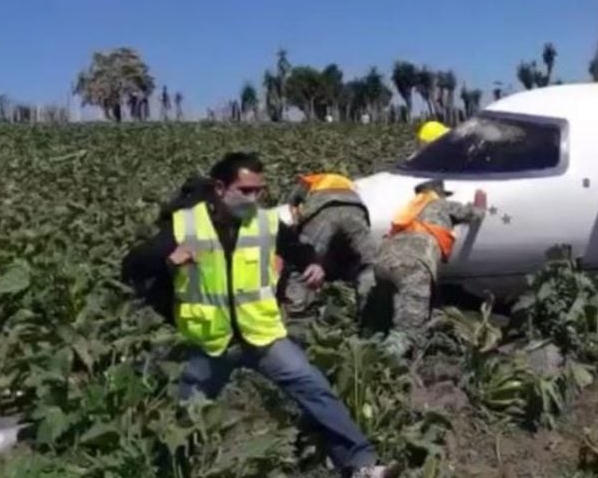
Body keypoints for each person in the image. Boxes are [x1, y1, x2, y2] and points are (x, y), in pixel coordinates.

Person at [122, 152, 396, 478]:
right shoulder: (184, 225)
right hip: (210, 342)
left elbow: (297, 246)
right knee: (186, 418)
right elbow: (132, 265)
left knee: (315, 388)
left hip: (262, 335)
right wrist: (170, 259)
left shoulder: (265, 222)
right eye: (246, 190)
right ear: (220, 189)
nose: (254, 198)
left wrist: (312, 263)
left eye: (259, 191)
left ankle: (360, 466)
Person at [363, 179, 484, 357]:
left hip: (383, 263)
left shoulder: (409, 210)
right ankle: (380, 366)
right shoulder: (441, 205)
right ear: (438, 194)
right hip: (412, 266)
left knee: (384, 321)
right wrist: (480, 201)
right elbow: (475, 214)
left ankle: (372, 349)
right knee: (407, 331)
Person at [276, 172, 378, 317]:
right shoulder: (344, 182)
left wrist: (298, 225)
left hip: (323, 211)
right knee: (367, 263)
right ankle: (369, 311)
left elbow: (293, 204)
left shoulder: (309, 181)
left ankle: (296, 310)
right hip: (356, 211)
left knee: (304, 261)